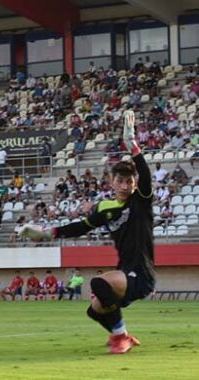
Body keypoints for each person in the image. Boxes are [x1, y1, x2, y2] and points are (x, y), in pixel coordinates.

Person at [21, 108, 155, 354]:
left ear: (135, 184)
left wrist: (133, 145)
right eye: (120, 181)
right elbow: (80, 227)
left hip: (141, 273)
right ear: (112, 182)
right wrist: (46, 233)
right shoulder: (105, 208)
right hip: (125, 272)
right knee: (94, 309)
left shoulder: (141, 202)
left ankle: (120, 339)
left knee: (98, 283)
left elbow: (145, 176)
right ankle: (123, 335)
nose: (125, 186)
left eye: (130, 182)